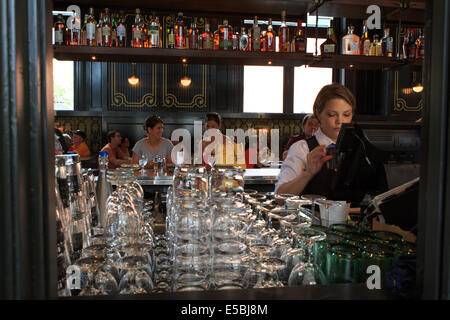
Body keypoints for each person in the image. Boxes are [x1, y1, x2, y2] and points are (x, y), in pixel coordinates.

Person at [275, 83, 357, 198]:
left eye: (346, 114)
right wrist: (307, 173)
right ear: (318, 113)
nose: (340, 121)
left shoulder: (358, 148)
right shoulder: (302, 148)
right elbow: (279, 197)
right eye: (332, 115)